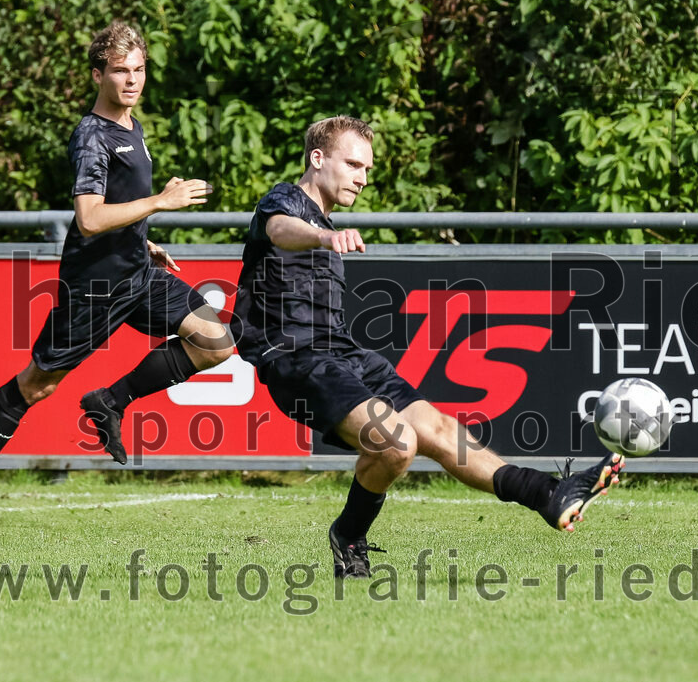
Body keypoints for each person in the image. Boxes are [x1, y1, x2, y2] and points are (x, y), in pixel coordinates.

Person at [232, 115, 624, 579]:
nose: (361, 177)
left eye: (367, 169)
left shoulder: (325, 220)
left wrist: (326, 232)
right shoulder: (286, 201)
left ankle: (545, 493)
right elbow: (278, 229)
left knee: (435, 426)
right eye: (353, 164)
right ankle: (349, 534)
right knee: (397, 444)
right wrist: (322, 236)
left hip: (343, 354)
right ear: (317, 159)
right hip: (297, 361)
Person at [0, 21, 234, 529]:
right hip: (94, 288)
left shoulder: (132, 127)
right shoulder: (92, 136)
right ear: (97, 74)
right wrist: (162, 202)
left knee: (216, 341)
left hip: (137, 273)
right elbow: (90, 217)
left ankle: (109, 401)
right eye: (120, 71)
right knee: (36, 386)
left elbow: (118, 211)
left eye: (139, 69)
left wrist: (143, 239)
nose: (132, 80)